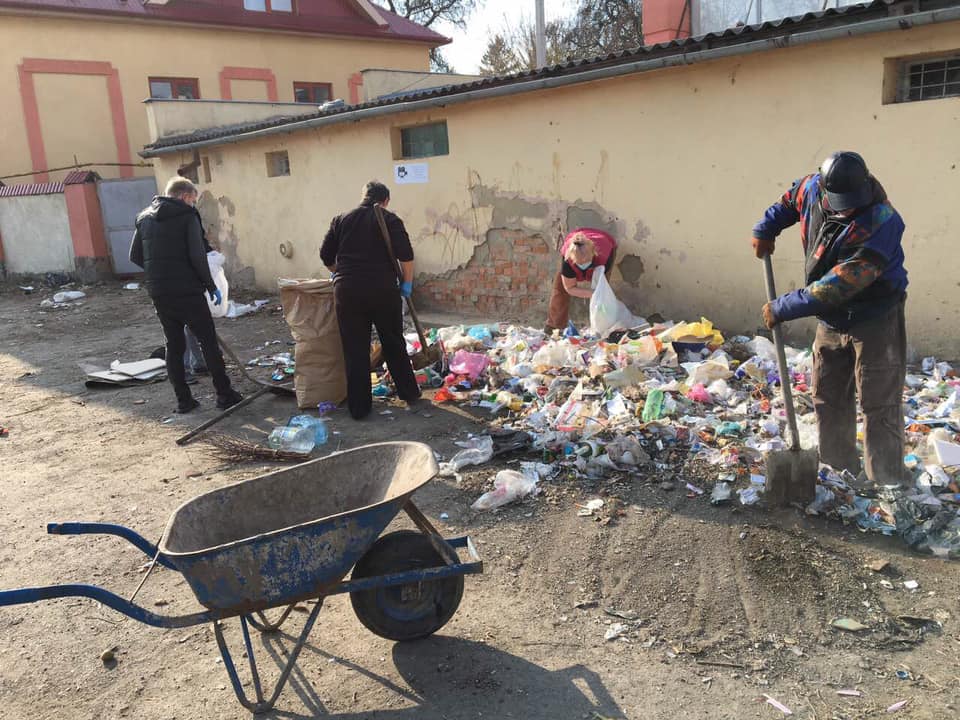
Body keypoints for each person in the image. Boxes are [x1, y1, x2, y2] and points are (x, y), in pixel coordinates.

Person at [751, 151, 908, 487]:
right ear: (824, 189)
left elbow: (843, 282)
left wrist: (785, 306)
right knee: (828, 395)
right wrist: (766, 227)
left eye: (852, 202)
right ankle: (839, 471)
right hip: (831, 320)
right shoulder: (811, 189)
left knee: (879, 404)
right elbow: (787, 202)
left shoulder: (882, 221)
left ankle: (887, 483)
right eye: (840, 202)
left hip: (874, 317)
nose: (847, 208)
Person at [129, 177, 242, 414]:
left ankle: (184, 400)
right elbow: (197, 256)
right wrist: (210, 286)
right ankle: (224, 394)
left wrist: (158, 273)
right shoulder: (186, 216)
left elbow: (135, 256)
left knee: (174, 344)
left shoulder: (144, 217)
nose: (193, 205)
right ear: (183, 196)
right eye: (193, 200)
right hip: (188, 290)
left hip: (160, 292)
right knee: (207, 341)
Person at [320, 180, 420, 419]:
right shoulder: (389, 219)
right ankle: (408, 393)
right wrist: (407, 283)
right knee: (393, 341)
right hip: (382, 289)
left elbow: (326, 256)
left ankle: (359, 407)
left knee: (355, 348)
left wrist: (339, 273)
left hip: (347, 292)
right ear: (385, 201)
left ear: (363, 197)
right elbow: (406, 256)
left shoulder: (341, 219)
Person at [544, 228, 617, 333]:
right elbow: (569, 288)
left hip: (605, 242)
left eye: (586, 261)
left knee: (603, 294)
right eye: (579, 263)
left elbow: (601, 289)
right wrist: (592, 293)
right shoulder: (567, 262)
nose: (583, 265)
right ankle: (553, 327)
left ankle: (605, 328)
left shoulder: (603, 258)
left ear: (593, 254)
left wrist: (597, 293)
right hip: (576, 251)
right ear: (572, 258)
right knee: (559, 289)